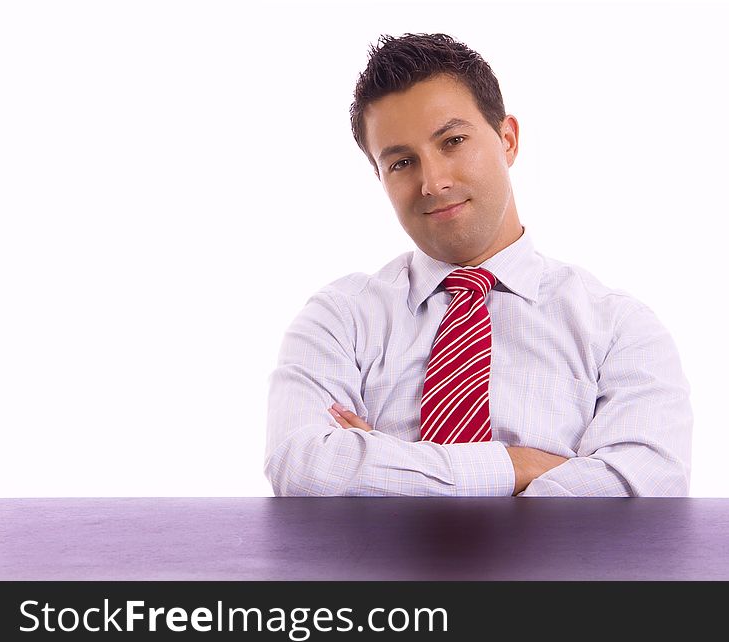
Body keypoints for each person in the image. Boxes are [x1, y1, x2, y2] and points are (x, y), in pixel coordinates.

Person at [265, 33, 692, 497]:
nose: (433, 181)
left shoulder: (617, 327)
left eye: (452, 141)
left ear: (507, 140)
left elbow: (643, 488)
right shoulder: (340, 317)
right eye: (402, 162)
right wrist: (517, 465)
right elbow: (302, 467)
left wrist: (384, 471)